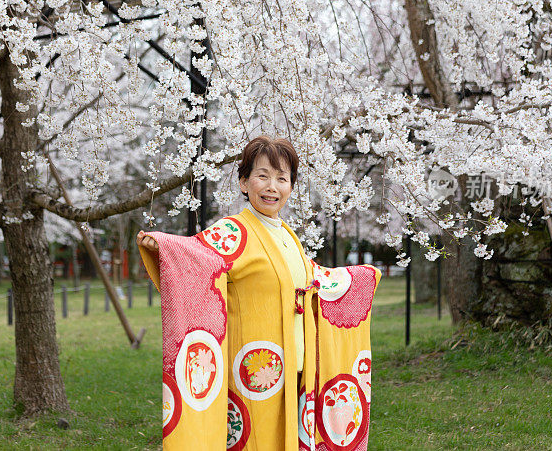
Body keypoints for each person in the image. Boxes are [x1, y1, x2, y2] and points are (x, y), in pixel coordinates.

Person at [137, 136, 380, 451]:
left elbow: (313, 277)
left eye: (282, 178)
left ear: (291, 187)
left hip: (297, 364)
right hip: (254, 368)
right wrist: (164, 246)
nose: (272, 186)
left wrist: (359, 278)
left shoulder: (287, 235)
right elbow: (196, 255)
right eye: (262, 175)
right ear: (244, 181)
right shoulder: (233, 231)